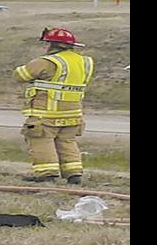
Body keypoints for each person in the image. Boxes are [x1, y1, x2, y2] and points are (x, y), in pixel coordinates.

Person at [12, 27, 96, 184]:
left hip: (46, 113)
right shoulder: (85, 62)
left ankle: (46, 174)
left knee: (41, 140)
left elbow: (20, 75)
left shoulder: (47, 61)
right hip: (73, 114)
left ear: (52, 45)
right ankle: (74, 174)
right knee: (67, 142)